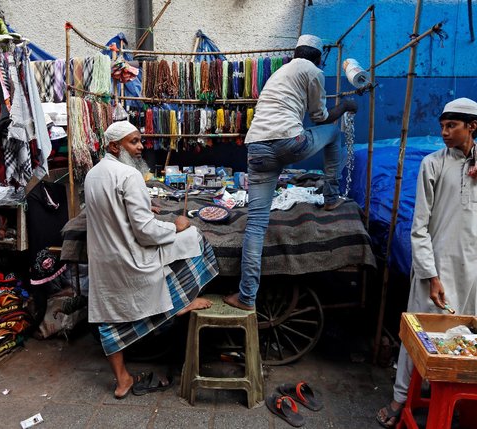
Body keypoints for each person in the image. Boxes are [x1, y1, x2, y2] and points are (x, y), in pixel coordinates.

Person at [376, 98, 477, 427]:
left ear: (472, 126)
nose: (444, 132)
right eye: (442, 126)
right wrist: (430, 275)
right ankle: (400, 398)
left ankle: (454, 396)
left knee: (466, 334)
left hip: (471, 263)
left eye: (451, 126)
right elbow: (419, 227)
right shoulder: (433, 164)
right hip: (435, 264)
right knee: (418, 335)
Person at [84, 121, 219, 399]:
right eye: (133, 142)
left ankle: (122, 380)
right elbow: (146, 232)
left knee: (109, 317)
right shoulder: (129, 176)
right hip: (132, 257)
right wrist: (176, 226)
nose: (140, 147)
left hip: (104, 262)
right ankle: (180, 303)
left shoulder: (92, 175)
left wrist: (146, 206)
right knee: (195, 238)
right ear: (114, 146)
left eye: (139, 141)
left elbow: (113, 212)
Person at [224, 34, 358, 311]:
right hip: (289, 141)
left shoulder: (279, 73)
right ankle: (331, 195)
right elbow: (319, 117)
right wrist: (345, 106)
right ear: (318, 58)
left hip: (257, 148)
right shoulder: (313, 71)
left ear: (296, 52)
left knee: (256, 225)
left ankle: (247, 296)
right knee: (333, 133)